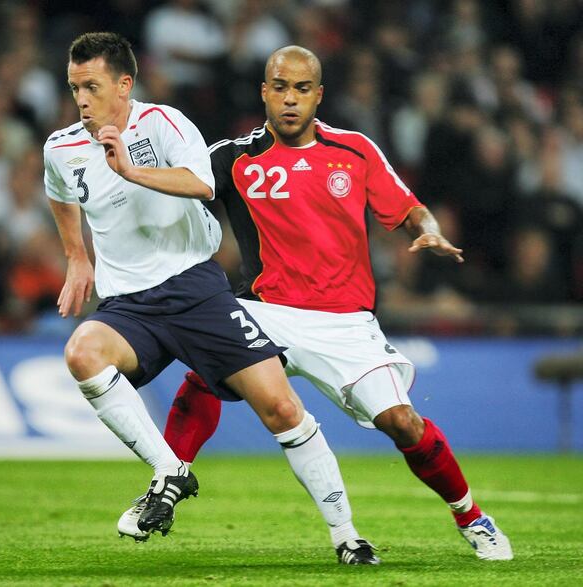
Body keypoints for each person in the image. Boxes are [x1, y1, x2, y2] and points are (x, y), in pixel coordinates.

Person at [119, 46, 513, 562]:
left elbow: (410, 208)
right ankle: (168, 478)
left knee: (403, 423)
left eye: (301, 89)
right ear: (264, 91)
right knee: (208, 365)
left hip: (346, 323)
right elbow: (182, 180)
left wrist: (430, 230)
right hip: (268, 310)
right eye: (279, 87)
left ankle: (471, 516)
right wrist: (129, 170)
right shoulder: (234, 157)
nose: (289, 99)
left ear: (318, 95)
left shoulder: (354, 150)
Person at [44, 32, 378, 564]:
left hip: (195, 289)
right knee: (82, 352)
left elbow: (202, 183)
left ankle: (347, 535)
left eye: (92, 86)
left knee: (281, 407)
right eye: (74, 87)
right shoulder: (61, 148)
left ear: (124, 85)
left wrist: (129, 169)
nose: (81, 99)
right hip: (130, 305)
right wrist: (76, 257)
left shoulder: (166, 124)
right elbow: (60, 194)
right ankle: (170, 468)